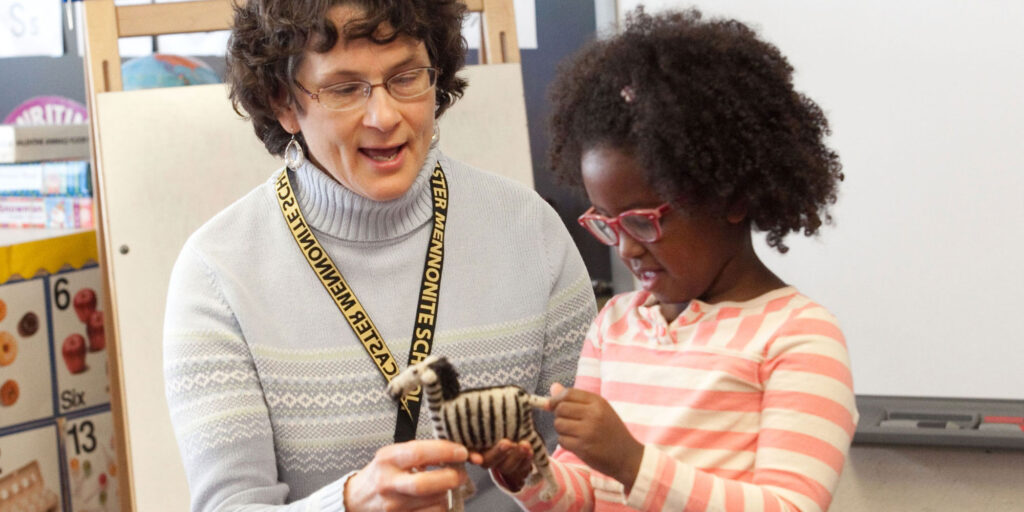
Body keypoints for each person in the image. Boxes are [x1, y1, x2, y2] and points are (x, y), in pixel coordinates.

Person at [161, 1, 596, 511]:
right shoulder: (217, 273)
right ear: (283, 102)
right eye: (345, 89)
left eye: (407, 77)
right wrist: (349, 503)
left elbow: (590, 467)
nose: (385, 116)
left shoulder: (530, 231)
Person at [481, 7, 857, 512]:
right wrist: (533, 475)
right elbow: (583, 493)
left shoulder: (799, 336)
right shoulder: (615, 325)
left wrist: (633, 463)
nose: (626, 247)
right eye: (607, 224)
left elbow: (790, 506)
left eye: (642, 220)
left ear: (730, 198)